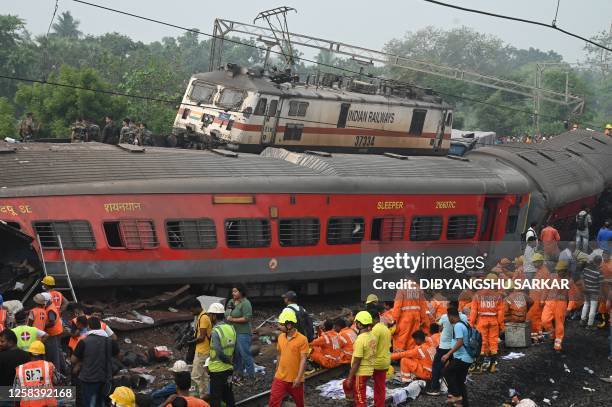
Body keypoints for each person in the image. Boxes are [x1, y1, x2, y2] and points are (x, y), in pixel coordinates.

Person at [71, 317, 119, 407]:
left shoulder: (83, 341)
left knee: (90, 402)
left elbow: (73, 359)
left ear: (89, 327)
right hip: (106, 377)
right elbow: (118, 355)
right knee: (103, 401)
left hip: (89, 378)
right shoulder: (110, 341)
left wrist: (81, 362)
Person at [426, 302, 468, 396]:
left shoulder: (445, 317)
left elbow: (440, 328)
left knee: (437, 366)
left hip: (444, 346)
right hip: (456, 347)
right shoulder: (464, 317)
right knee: (454, 368)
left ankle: (435, 388)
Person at [268, 309, 308, 407]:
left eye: (281, 324)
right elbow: (279, 355)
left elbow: (303, 359)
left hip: (295, 379)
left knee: (299, 403)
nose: (279, 326)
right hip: (280, 377)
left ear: (289, 325)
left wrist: (298, 378)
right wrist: (276, 371)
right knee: (273, 401)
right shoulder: (281, 337)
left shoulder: (302, 339)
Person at [469, 274, 504, 373]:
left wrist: (471, 323)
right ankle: (492, 367)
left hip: (482, 320)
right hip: (494, 321)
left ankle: (479, 367)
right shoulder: (498, 296)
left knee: (482, 343)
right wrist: (501, 325)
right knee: (493, 344)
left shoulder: (477, 295)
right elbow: (500, 312)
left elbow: (473, 311)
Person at [342, 311, 376, 407]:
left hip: (361, 372)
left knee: (360, 399)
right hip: (369, 370)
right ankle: (351, 402)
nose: (355, 324)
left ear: (360, 325)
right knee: (346, 384)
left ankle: (355, 403)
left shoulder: (360, 339)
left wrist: (350, 377)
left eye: (356, 322)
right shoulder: (372, 336)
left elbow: (357, 362)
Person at [442, 307, 474, 407]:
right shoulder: (465, 323)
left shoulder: (458, 326)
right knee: (459, 380)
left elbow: (460, 342)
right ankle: (463, 403)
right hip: (468, 357)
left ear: (451, 316)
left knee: (446, 371)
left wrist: (448, 354)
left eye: (448, 317)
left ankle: (456, 395)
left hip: (462, 358)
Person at [207, 302, 236, 407]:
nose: (209, 317)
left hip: (217, 369)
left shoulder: (215, 331)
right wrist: (231, 362)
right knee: (228, 394)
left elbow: (218, 351)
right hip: (228, 369)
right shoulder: (231, 328)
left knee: (215, 397)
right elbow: (235, 349)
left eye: (210, 315)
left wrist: (227, 360)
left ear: (214, 316)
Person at [14, 341, 58, 406]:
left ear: (29, 354)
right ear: (43, 355)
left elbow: (16, 393)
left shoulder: (20, 369)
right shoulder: (49, 366)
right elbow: (57, 382)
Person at [28, 293, 63, 374]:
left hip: (35, 335)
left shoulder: (33, 311)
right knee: (42, 356)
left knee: (34, 356)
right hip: (42, 336)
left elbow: (29, 326)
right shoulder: (44, 311)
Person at [226, 285, 254, 380]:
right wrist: (229, 312)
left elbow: (247, 318)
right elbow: (226, 314)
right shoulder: (231, 302)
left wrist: (233, 319)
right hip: (232, 332)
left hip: (243, 332)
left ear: (241, 292)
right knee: (236, 355)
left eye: (235, 291)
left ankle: (251, 376)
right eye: (233, 291)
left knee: (245, 354)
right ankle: (239, 374)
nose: (233, 293)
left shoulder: (246, 303)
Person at [541, 262, 570, 351]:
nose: (559, 272)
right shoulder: (552, 276)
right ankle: (552, 334)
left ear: (565, 271)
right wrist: (542, 299)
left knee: (559, 324)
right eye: (558, 271)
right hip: (549, 303)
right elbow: (546, 288)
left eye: (561, 271)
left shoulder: (569, 281)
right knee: (544, 320)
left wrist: (570, 307)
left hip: (561, 305)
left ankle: (558, 343)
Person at [391, 284, 429, 351]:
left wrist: (393, 322)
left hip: (404, 320)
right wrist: (425, 323)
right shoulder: (418, 289)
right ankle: (410, 356)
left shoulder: (402, 288)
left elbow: (397, 307)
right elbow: (423, 307)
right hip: (416, 320)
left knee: (401, 341)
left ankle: (399, 358)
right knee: (413, 340)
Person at [368, 304, 390, 407]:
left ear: (375, 318)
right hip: (385, 360)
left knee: (379, 387)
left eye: (370, 319)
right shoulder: (385, 328)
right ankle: (378, 404)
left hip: (378, 362)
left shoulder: (376, 329)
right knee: (380, 386)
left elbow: (371, 346)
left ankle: (379, 405)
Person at [189, 298, 212, 399]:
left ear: (196, 307)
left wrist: (189, 343)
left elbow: (202, 337)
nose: (191, 312)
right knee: (204, 376)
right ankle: (205, 396)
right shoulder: (203, 315)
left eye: (192, 310)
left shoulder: (203, 318)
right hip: (206, 350)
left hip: (202, 351)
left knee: (195, 377)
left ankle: (195, 398)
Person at [581, 256, 604, 329]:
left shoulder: (586, 269)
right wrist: (601, 294)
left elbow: (582, 278)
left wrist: (584, 287)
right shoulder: (599, 271)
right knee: (593, 307)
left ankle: (582, 320)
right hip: (594, 291)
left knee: (586, 304)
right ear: (600, 262)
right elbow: (601, 284)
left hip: (586, 289)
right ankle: (589, 325)